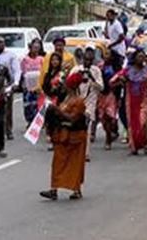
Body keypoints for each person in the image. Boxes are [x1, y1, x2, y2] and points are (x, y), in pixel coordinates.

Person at [40, 73, 88, 201]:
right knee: (57, 163)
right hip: (62, 135)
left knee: (75, 164)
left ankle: (77, 190)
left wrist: (57, 111)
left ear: (70, 86)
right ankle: (53, 189)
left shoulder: (79, 102)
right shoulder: (66, 99)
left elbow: (72, 119)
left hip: (75, 136)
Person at [111, 49, 147, 155]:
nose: (141, 59)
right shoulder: (127, 70)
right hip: (131, 101)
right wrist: (122, 80)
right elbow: (112, 81)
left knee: (141, 123)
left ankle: (144, 142)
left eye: (143, 56)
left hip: (143, 101)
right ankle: (135, 147)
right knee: (132, 125)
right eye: (139, 56)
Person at [69, 45, 104, 162]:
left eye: (90, 59)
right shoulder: (76, 69)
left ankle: (86, 153)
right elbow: (69, 84)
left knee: (87, 126)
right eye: (86, 59)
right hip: (77, 101)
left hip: (90, 102)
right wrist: (78, 77)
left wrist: (92, 78)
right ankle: (76, 150)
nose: (88, 62)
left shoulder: (96, 71)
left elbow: (101, 87)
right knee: (76, 127)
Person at [0, 37, 21, 141]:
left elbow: (17, 70)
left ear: (4, 44)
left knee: (8, 109)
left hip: (7, 85)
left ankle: (8, 130)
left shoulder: (11, 55)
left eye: (1, 42)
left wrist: (16, 83)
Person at [42, 52, 67, 151]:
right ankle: (52, 140)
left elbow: (65, 88)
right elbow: (45, 86)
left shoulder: (62, 74)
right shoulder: (48, 74)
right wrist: (49, 90)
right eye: (53, 60)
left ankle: (59, 140)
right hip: (49, 100)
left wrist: (57, 89)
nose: (54, 62)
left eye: (56, 60)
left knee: (59, 121)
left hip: (59, 100)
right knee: (50, 120)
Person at [97, 52, 119, 151]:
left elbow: (120, 80)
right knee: (103, 119)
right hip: (101, 95)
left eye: (109, 54)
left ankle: (108, 140)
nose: (107, 56)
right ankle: (109, 133)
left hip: (111, 94)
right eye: (105, 54)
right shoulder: (99, 66)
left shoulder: (115, 67)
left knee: (110, 117)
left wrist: (115, 86)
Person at [21, 39, 44, 126]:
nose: (36, 49)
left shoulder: (41, 59)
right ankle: (29, 121)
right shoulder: (24, 59)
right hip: (27, 85)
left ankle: (37, 122)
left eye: (38, 48)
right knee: (28, 105)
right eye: (34, 47)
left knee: (37, 104)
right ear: (30, 48)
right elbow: (22, 72)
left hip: (38, 85)